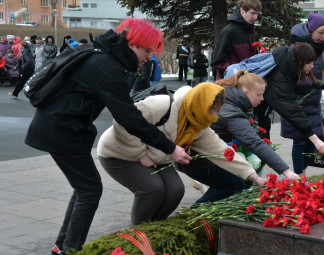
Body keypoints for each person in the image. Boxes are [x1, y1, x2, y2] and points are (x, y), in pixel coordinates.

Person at [25, 18, 189, 255]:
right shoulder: (107, 65)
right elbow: (128, 117)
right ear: (133, 44)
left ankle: (62, 248)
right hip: (61, 130)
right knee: (90, 190)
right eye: (147, 50)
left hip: (67, 128)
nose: (149, 57)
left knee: (84, 188)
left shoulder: (105, 56)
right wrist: (170, 148)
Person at [98, 83, 267, 225]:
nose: (214, 117)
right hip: (120, 152)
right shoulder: (161, 106)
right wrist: (141, 155)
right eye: (212, 110)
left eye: (217, 111)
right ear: (201, 103)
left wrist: (253, 176)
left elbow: (221, 151)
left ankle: (155, 227)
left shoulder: (198, 124)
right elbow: (124, 122)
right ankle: (138, 234)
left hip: (156, 157)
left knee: (175, 190)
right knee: (152, 189)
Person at [212, 70, 299, 180]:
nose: (262, 98)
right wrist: (287, 172)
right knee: (235, 184)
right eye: (259, 95)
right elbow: (255, 142)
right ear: (245, 92)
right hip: (201, 156)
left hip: (208, 152)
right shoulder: (233, 113)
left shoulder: (230, 96)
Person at [254, 42, 324, 167]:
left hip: (259, 116)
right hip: (250, 116)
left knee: (258, 158)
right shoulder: (279, 76)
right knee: (254, 161)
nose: (312, 66)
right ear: (299, 61)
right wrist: (315, 140)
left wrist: (316, 83)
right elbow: (291, 110)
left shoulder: (285, 65)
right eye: (309, 63)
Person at [283, 12, 324, 175]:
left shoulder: (318, 47)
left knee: (314, 139)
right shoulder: (298, 47)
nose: (323, 37)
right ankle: (298, 175)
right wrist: (312, 83)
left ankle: (302, 170)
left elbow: (315, 72)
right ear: (311, 30)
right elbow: (292, 75)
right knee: (301, 140)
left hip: (313, 100)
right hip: (298, 100)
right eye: (321, 33)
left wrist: (318, 84)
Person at [212, 0, 261, 79]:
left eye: (257, 14)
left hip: (249, 83)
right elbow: (218, 62)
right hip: (231, 84)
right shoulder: (228, 32)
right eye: (252, 13)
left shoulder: (253, 34)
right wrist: (240, 70)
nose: (255, 17)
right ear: (242, 10)